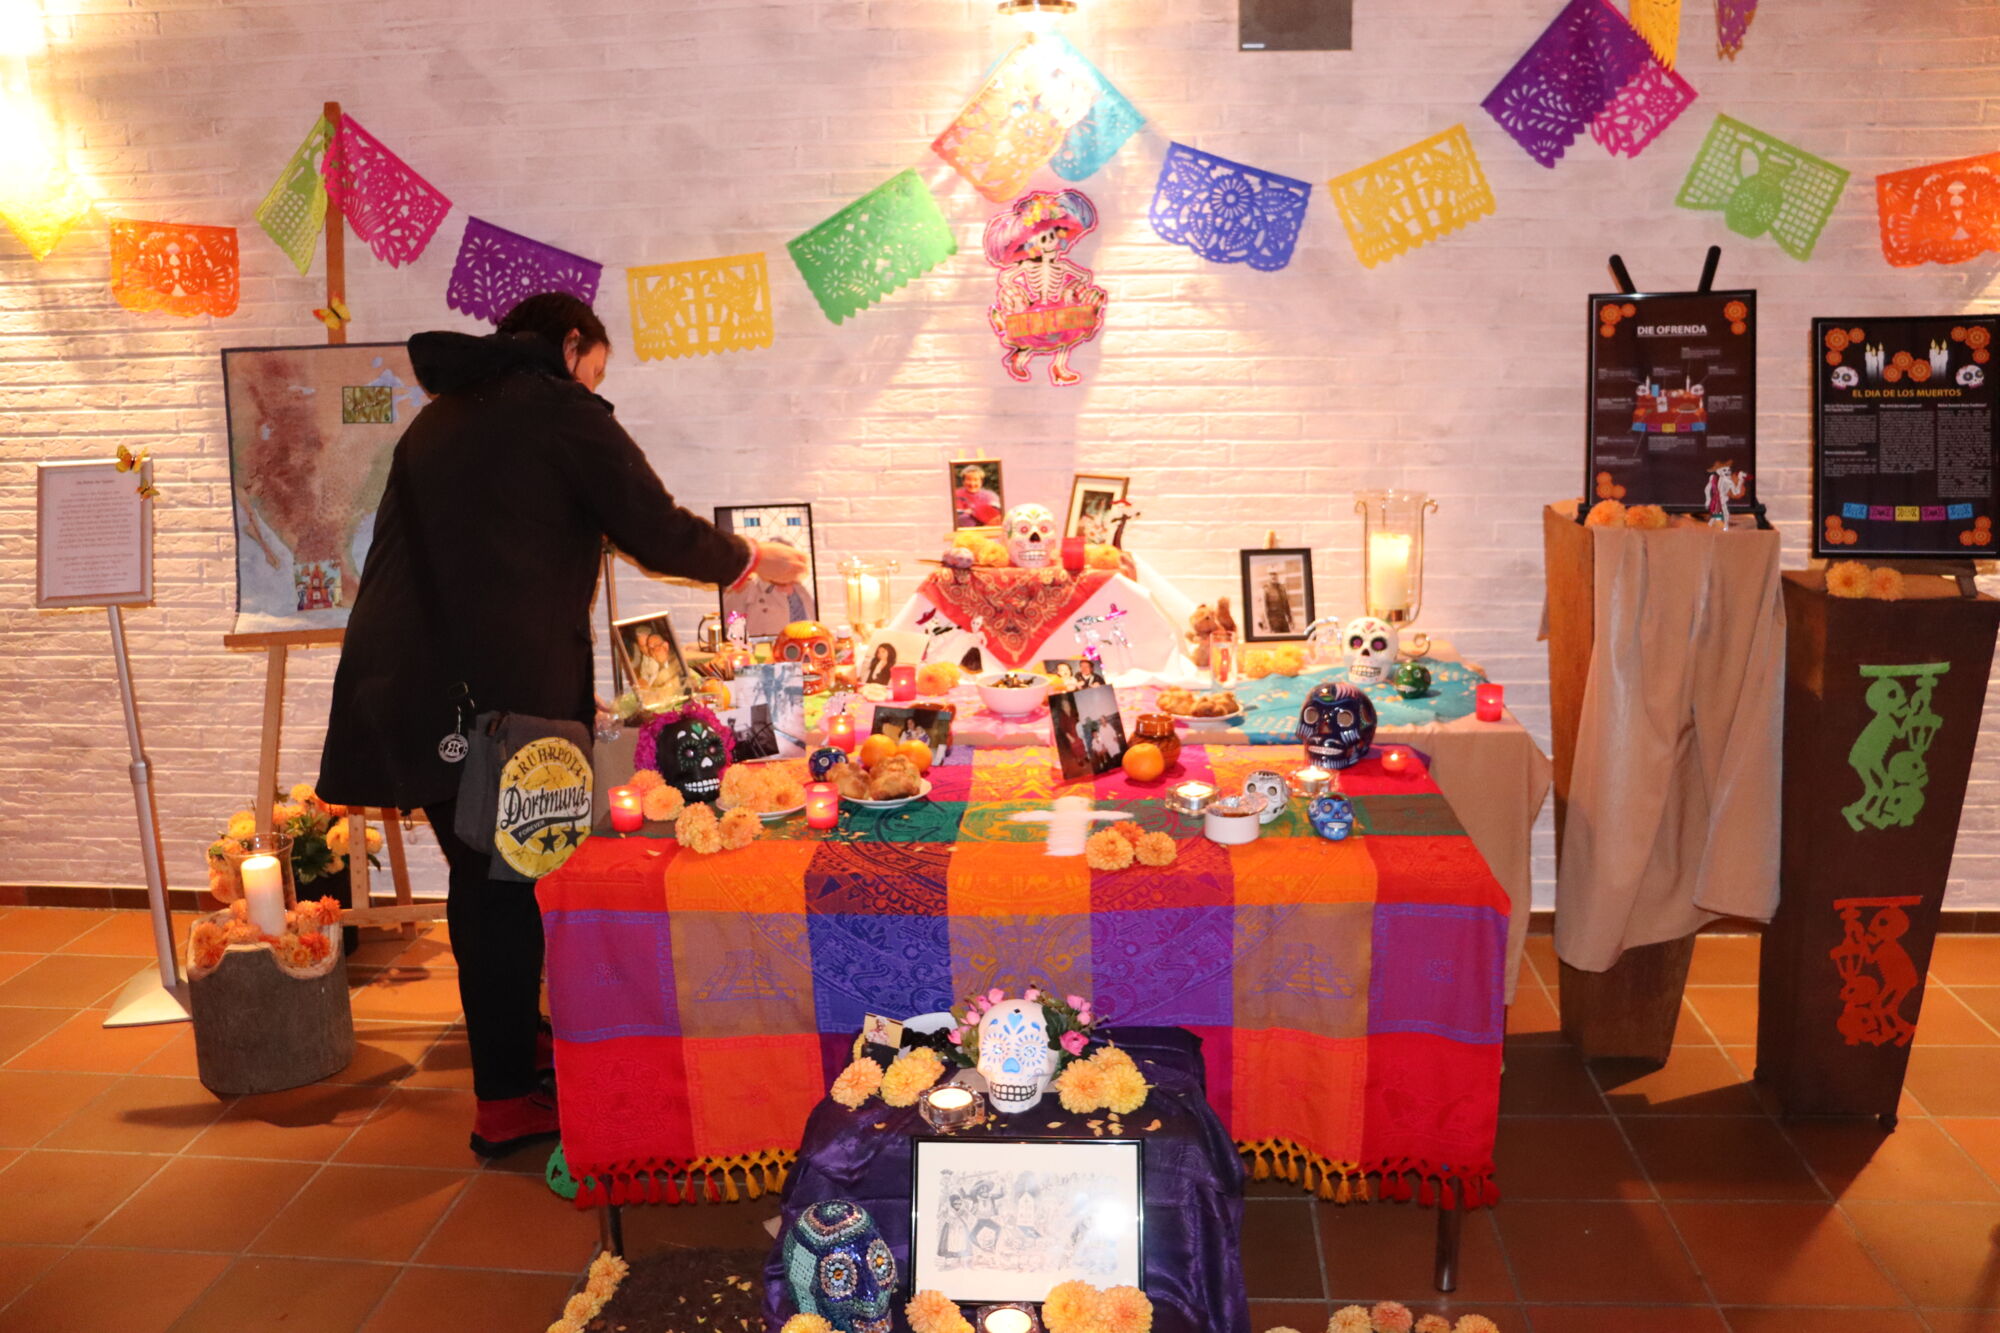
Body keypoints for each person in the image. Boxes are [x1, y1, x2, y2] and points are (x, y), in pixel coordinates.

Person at [316, 293, 809, 1159]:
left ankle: (518, 1041)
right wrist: (749, 557)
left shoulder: (442, 419)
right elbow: (654, 526)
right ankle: (504, 1098)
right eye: (595, 369)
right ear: (570, 345)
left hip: (410, 692)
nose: (593, 386)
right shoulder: (557, 411)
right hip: (490, 704)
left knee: (489, 877)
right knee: (500, 891)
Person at [952, 463, 1002, 528]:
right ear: (963, 481)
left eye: (976, 480)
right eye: (968, 479)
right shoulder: (956, 494)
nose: (972, 483)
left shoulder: (991, 496)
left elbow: (999, 515)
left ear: (981, 481)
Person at [1263, 569, 1294, 635]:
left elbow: (1287, 605)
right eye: (1271, 575)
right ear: (1268, 577)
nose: (1273, 576)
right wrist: (1267, 624)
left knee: (1287, 637)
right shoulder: (1266, 590)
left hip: (1283, 619)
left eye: (1275, 574)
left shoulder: (1282, 589)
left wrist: (1291, 620)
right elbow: (1265, 609)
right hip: (1273, 621)